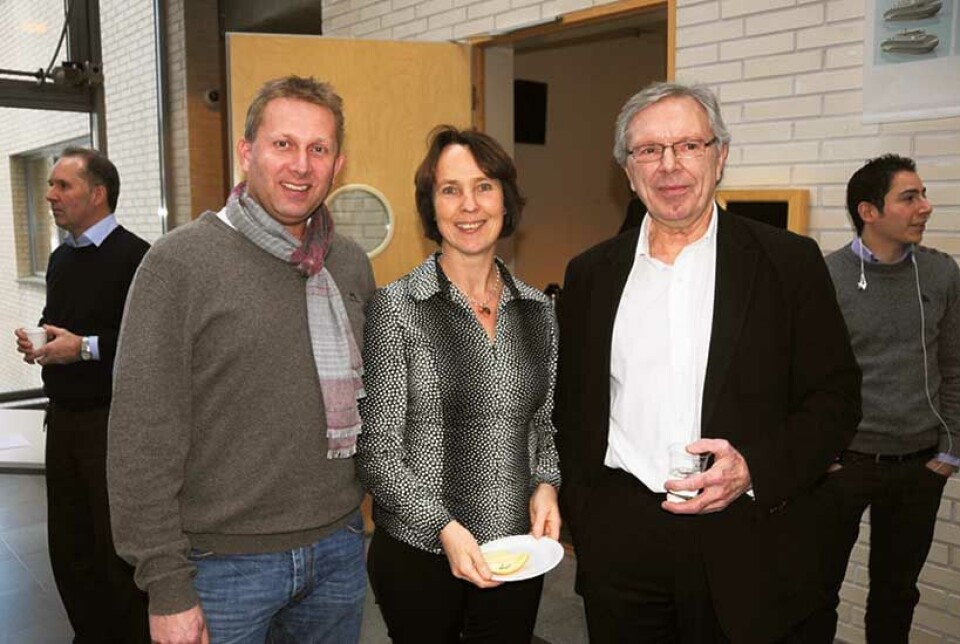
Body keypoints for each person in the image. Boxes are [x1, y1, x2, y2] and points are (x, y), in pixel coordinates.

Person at [553, 81, 862, 643]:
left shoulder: (788, 263)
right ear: (627, 169)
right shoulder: (590, 274)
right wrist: (589, 517)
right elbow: (572, 409)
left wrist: (754, 469)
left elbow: (836, 399)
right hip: (622, 542)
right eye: (649, 150)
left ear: (720, 157)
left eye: (689, 146)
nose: (669, 165)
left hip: (748, 535)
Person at [107, 75, 375, 644]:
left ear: (337, 164)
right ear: (246, 151)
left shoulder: (347, 265)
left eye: (318, 149)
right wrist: (166, 586)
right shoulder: (178, 264)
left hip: (338, 550)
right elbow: (141, 437)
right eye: (283, 144)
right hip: (222, 567)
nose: (301, 165)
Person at [357, 126, 561, 644]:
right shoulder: (397, 308)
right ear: (431, 206)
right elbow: (376, 453)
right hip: (422, 554)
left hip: (515, 554)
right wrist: (445, 528)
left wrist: (546, 483)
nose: (469, 205)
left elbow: (544, 423)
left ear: (506, 200)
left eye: (484, 186)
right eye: (450, 189)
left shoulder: (539, 311)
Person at [13, 147, 150, 643]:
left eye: (62, 185)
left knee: (115, 546)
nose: (50, 195)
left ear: (97, 194)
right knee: (69, 546)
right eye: (50, 184)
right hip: (64, 422)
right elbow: (64, 324)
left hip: (112, 425)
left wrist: (85, 348)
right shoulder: (60, 257)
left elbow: (151, 343)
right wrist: (44, 345)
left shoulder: (140, 258)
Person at [821, 154, 959, 642]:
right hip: (845, 466)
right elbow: (805, 376)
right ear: (869, 211)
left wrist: (950, 450)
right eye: (909, 197)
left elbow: (954, 365)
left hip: (920, 467)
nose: (925, 207)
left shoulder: (942, 274)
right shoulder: (826, 276)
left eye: (923, 195)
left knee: (896, 595)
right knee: (817, 592)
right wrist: (824, 458)